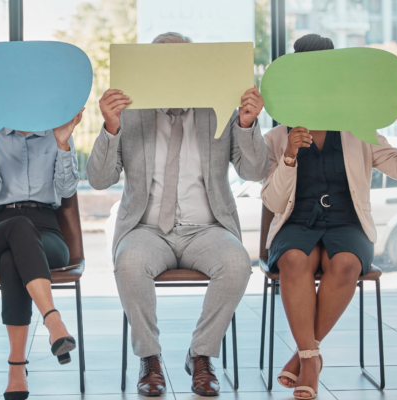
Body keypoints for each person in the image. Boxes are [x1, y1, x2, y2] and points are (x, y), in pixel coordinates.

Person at [87, 32, 268, 397]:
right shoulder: (130, 113)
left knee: (236, 263)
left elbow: (254, 170)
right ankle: (149, 359)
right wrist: (110, 126)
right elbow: (99, 179)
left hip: (207, 227)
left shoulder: (218, 106)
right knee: (129, 262)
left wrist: (247, 123)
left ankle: (201, 354)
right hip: (147, 227)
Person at [261, 34, 397, 400]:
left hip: (347, 223)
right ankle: (312, 362)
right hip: (296, 223)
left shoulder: (357, 129)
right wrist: (289, 157)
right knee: (294, 259)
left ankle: (305, 357)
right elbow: (271, 199)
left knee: (346, 263)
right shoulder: (277, 135)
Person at [0, 106, 83, 400]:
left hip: (47, 231)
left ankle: (16, 368)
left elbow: (67, 189)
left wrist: (63, 143)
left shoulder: (53, 131)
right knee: (17, 227)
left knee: (13, 260)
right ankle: (53, 321)